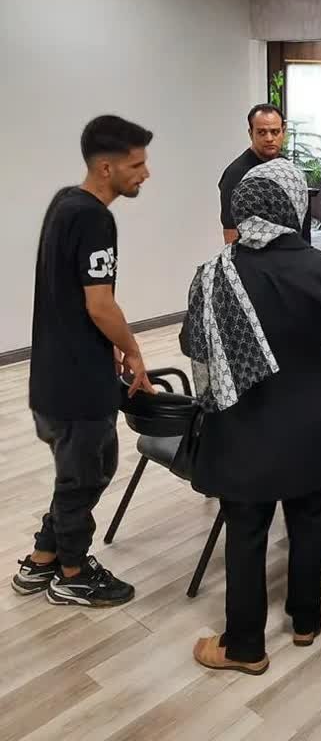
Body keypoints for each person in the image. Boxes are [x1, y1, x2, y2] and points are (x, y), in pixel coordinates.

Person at [182, 157, 321, 675]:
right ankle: (306, 619)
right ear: (294, 205)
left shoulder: (214, 273)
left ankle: (244, 647)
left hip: (243, 427)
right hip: (309, 422)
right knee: (310, 518)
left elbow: (191, 343)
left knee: (246, 531)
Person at [13, 115, 155, 607]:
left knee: (77, 473)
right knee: (86, 476)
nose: (145, 173)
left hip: (52, 378)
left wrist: (110, 340)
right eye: (136, 165)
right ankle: (73, 573)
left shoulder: (64, 203)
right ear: (106, 167)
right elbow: (100, 304)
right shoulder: (95, 218)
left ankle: (43, 558)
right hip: (78, 382)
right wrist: (132, 348)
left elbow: (78, 297)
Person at [218, 103, 311, 245]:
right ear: (251, 133)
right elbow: (231, 232)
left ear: (283, 132)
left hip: (293, 252)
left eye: (275, 132)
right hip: (255, 257)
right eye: (262, 132)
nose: (269, 138)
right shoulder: (236, 175)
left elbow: (303, 222)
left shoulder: (289, 170)